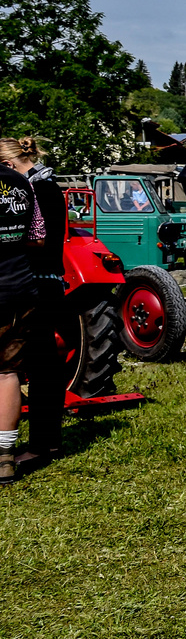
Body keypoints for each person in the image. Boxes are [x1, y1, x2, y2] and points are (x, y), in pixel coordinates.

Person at [0, 138, 64, 468]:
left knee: (39, 368)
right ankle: (47, 441)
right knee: (45, 366)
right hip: (48, 280)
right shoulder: (46, 185)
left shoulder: (35, 189)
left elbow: (37, 241)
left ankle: (40, 445)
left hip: (35, 281)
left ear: (8, 166)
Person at [0, 152, 44, 484]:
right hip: (20, 286)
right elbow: (37, 236)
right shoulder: (22, 182)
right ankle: (5, 460)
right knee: (7, 372)